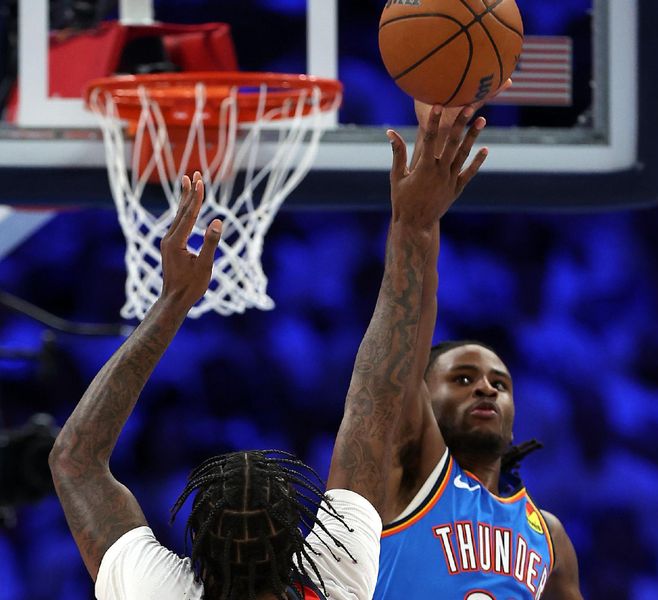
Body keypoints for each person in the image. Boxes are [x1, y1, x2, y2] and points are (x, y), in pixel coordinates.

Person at [48, 173, 391, 599]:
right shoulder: (337, 582)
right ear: (296, 547)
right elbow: (374, 403)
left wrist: (173, 300)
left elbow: (74, 459)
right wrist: (416, 224)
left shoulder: (156, 590)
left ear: (199, 543)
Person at [363, 99, 585, 598]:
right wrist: (419, 223)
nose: (485, 387)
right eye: (461, 379)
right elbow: (410, 323)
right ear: (422, 398)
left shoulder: (548, 534)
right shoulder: (405, 482)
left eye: (499, 384)